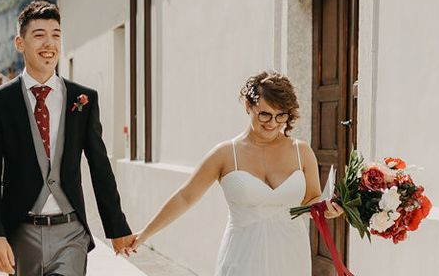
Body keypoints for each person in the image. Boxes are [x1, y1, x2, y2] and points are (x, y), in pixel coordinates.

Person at [0, 0, 134, 276]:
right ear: (19, 43)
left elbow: (100, 166)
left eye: (56, 35)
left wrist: (116, 226)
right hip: (21, 233)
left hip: (70, 233)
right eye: (39, 35)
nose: (49, 43)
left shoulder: (82, 99)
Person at [131, 70, 343, 275]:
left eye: (281, 116)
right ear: (248, 106)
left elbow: (312, 199)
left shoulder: (301, 151)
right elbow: (185, 197)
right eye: (265, 114)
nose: (273, 123)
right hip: (241, 256)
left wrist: (328, 209)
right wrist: (144, 234)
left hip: (290, 255)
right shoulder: (225, 154)